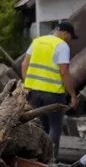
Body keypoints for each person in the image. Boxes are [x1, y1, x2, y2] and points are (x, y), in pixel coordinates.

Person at [22, 21, 78, 159]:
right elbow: (64, 72)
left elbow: (24, 64)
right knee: (55, 127)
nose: (70, 40)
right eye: (70, 37)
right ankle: (51, 160)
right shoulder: (61, 45)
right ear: (65, 34)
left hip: (35, 93)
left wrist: (27, 84)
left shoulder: (37, 42)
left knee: (43, 126)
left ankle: (40, 158)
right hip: (53, 94)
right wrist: (72, 95)